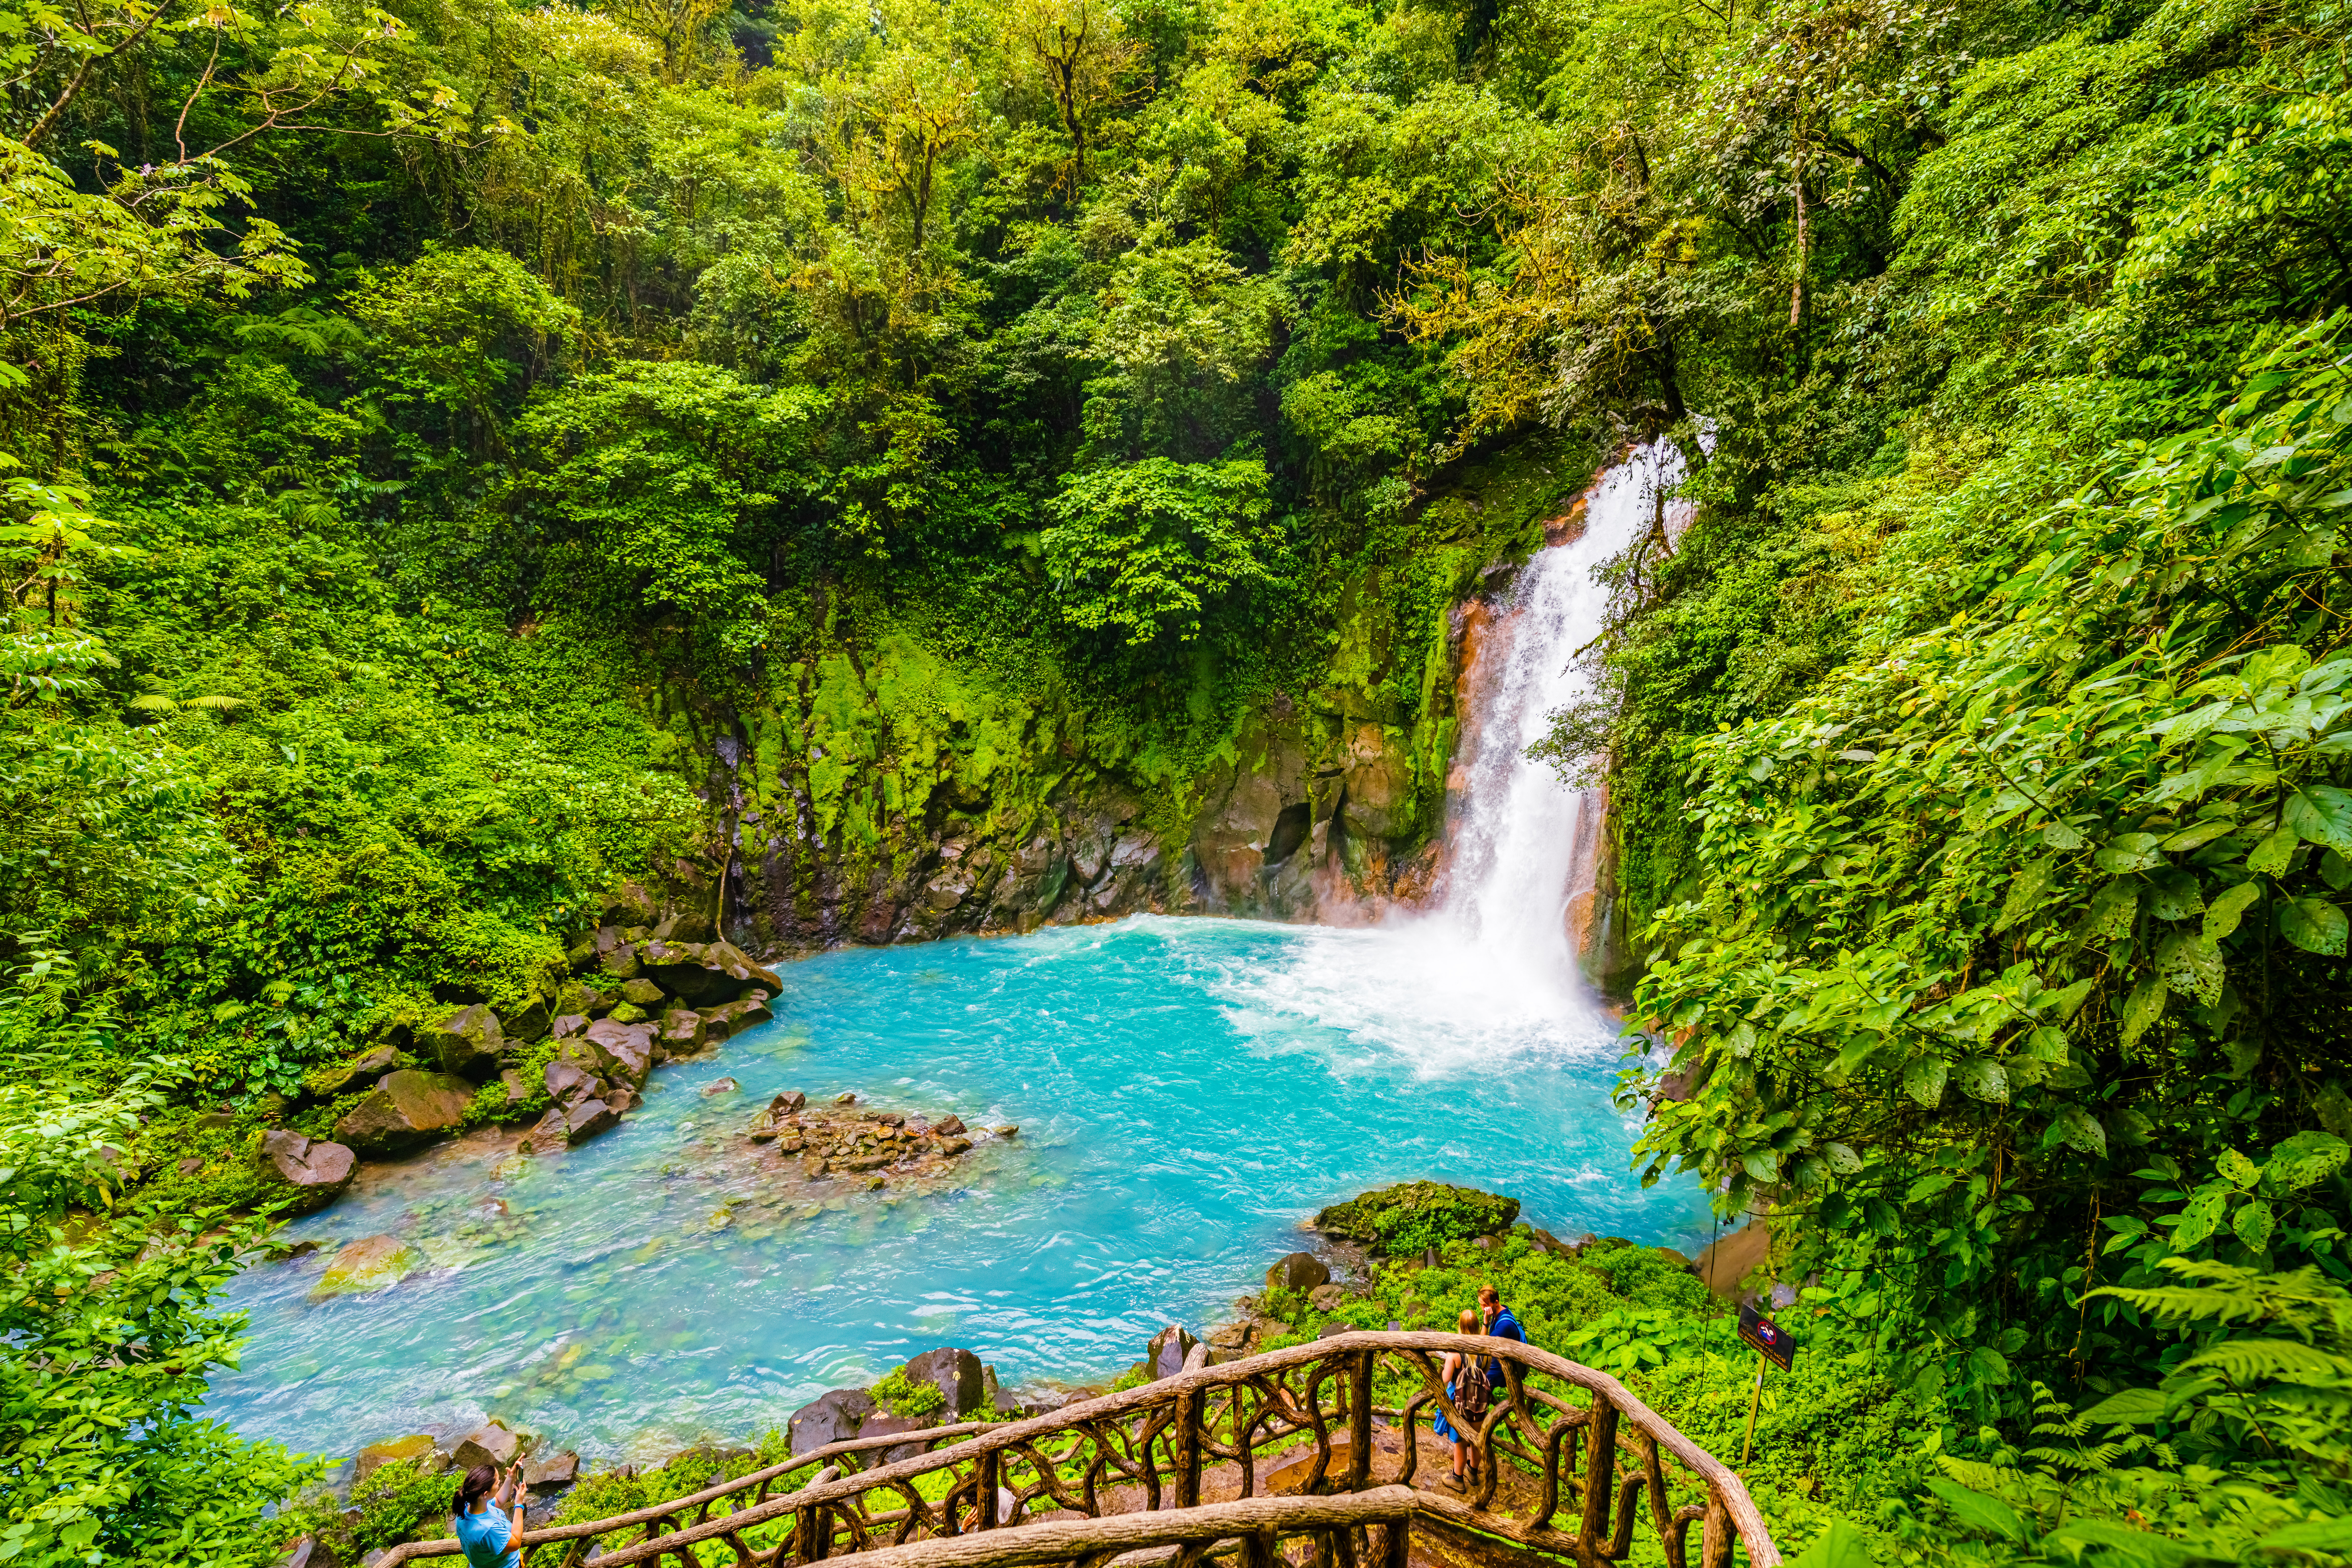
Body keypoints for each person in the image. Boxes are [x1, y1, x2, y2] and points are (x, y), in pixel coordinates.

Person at [1432, 1308, 1488, 1491]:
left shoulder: (1455, 1354)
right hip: (1480, 1402)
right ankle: (1473, 1471)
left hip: (1461, 1403)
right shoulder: (1485, 1350)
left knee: (1461, 1443)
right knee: (1477, 1440)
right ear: (1477, 1326)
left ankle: (1457, 1477)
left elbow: (1446, 1378)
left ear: (1461, 1327)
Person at [453, 1461, 530, 1568]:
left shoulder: (468, 1505)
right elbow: (516, 1543)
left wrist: (510, 1478)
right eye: (497, 1483)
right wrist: (519, 1504)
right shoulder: (488, 1529)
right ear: (486, 1495)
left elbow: (498, 1501)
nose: (500, 1482)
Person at [1479, 1284, 1526, 1390]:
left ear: (1496, 1303)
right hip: (1499, 1359)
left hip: (1504, 1369)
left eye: (1485, 1305)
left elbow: (1482, 1346)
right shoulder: (1503, 1310)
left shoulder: (1504, 1325)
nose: (1483, 1309)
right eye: (1481, 1305)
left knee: (1474, 1387)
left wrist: (1486, 1323)